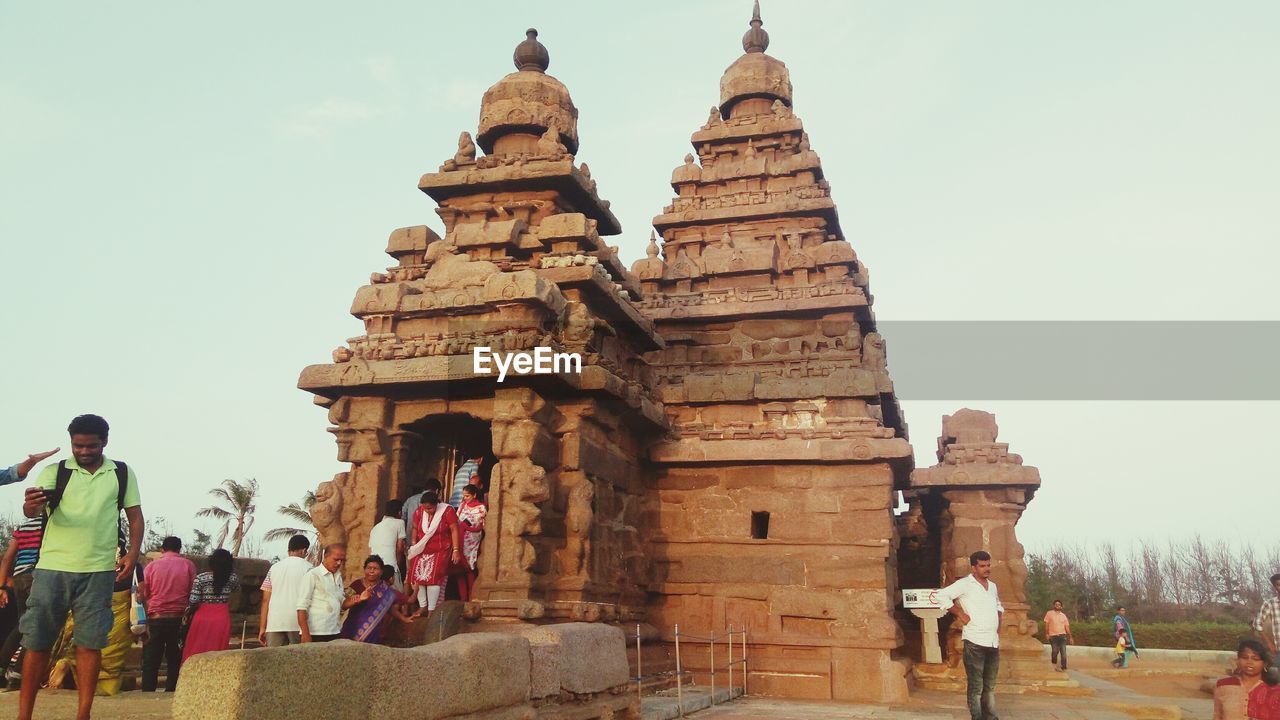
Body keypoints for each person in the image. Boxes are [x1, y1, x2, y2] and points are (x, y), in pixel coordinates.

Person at [18, 414, 143, 720]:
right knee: (37, 642)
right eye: (78, 446)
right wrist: (30, 506)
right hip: (52, 568)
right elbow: (31, 507)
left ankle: (83, 713)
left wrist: (133, 554)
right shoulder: (54, 472)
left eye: (91, 446)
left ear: (105, 442)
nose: (84, 451)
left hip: (99, 570)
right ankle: (24, 715)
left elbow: (135, 517)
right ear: (71, 442)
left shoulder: (122, 473)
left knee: (90, 644)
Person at [936, 550, 1003, 720]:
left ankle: (991, 716)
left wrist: (998, 624)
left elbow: (998, 606)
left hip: (992, 642)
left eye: (988, 565)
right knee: (976, 687)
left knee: (990, 686)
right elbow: (941, 595)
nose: (986, 569)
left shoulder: (992, 586)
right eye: (982, 566)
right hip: (974, 642)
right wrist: (959, 613)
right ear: (974, 568)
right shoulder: (965, 584)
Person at [138, 536, 195, 692]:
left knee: (151, 658)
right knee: (175, 657)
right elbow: (192, 592)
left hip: (156, 617)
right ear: (179, 550)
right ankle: (171, 690)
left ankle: (148, 690)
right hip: (178, 618)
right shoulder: (188, 565)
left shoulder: (151, 566)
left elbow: (144, 593)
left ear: (162, 550)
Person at [181, 549, 239, 665]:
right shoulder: (232, 579)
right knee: (218, 650)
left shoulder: (201, 578)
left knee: (196, 649)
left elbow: (193, 601)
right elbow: (237, 591)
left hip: (202, 616)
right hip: (222, 616)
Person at [407, 491, 460, 616]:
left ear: (437, 504)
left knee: (433, 579)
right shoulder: (419, 512)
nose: (427, 511)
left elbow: (454, 529)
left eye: (430, 508)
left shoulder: (447, 511)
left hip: (441, 549)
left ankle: (431, 610)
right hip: (422, 549)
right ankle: (423, 606)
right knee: (417, 577)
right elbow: (415, 528)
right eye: (425, 508)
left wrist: (456, 550)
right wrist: (414, 543)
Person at [339, 556, 414, 644]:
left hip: (373, 634)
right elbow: (343, 605)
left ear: (381, 571)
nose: (371, 571)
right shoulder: (357, 585)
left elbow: (388, 607)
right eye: (369, 568)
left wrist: (404, 619)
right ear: (364, 569)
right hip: (352, 629)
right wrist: (358, 599)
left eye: (375, 568)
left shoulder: (386, 590)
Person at [257, 535, 313, 647]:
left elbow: (265, 600)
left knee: (273, 660)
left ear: (289, 550)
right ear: (304, 550)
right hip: (298, 623)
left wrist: (263, 627)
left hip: (274, 622)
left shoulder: (274, 568)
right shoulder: (310, 569)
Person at [1212, 639, 1280, 719]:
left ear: (1264, 663)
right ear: (1238, 660)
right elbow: (1217, 715)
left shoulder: (1275, 691)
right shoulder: (1223, 685)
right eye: (1244, 657)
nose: (1249, 662)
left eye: (1255, 659)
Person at [297, 543, 346, 643]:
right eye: (336, 559)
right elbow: (301, 608)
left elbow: (341, 603)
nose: (339, 563)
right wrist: (306, 634)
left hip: (334, 631)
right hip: (315, 633)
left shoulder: (338, 577)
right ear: (326, 556)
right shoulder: (312, 575)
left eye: (342, 560)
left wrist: (359, 599)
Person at [455, 484, 486, 601]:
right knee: (459, 570)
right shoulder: (462, 506)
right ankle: (463, 598)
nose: (465, 498)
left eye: (467, 496)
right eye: (464, 496)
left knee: (470, 568)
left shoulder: (481, 508)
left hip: (473, 542)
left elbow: (483, 525)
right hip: (461, 539)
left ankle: (471, 597)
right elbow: (456, 521)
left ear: (474, 495)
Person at [368, 500, 407, 588]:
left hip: (374, 566)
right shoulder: (400, 523)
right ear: (399, 512)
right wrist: (397, 565)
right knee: (396, 594)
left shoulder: (375, 528)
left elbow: (370, 551)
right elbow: (400, 548)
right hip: (390, 565)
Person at [1253, 573, 1280, 662]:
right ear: (1275, 586)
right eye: (1278, 585)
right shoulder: (1270, 603)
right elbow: (1257, 624)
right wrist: (1269, 643)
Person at [1043, 599, 1073, 672]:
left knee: (1063, 652)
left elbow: (1067, 627)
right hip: (1053, 636)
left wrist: (1071, 637)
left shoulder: (1063, 616)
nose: (1057, 606)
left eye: (1059, 605)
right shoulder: (1049, 613)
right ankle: (1054, 665)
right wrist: (1047, 634)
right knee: (1055, 651)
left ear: (1061, 607)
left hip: (1062, 636)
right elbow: (1046, 624)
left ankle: (1064, 667)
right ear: (1054, 606)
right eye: (1056, 604)